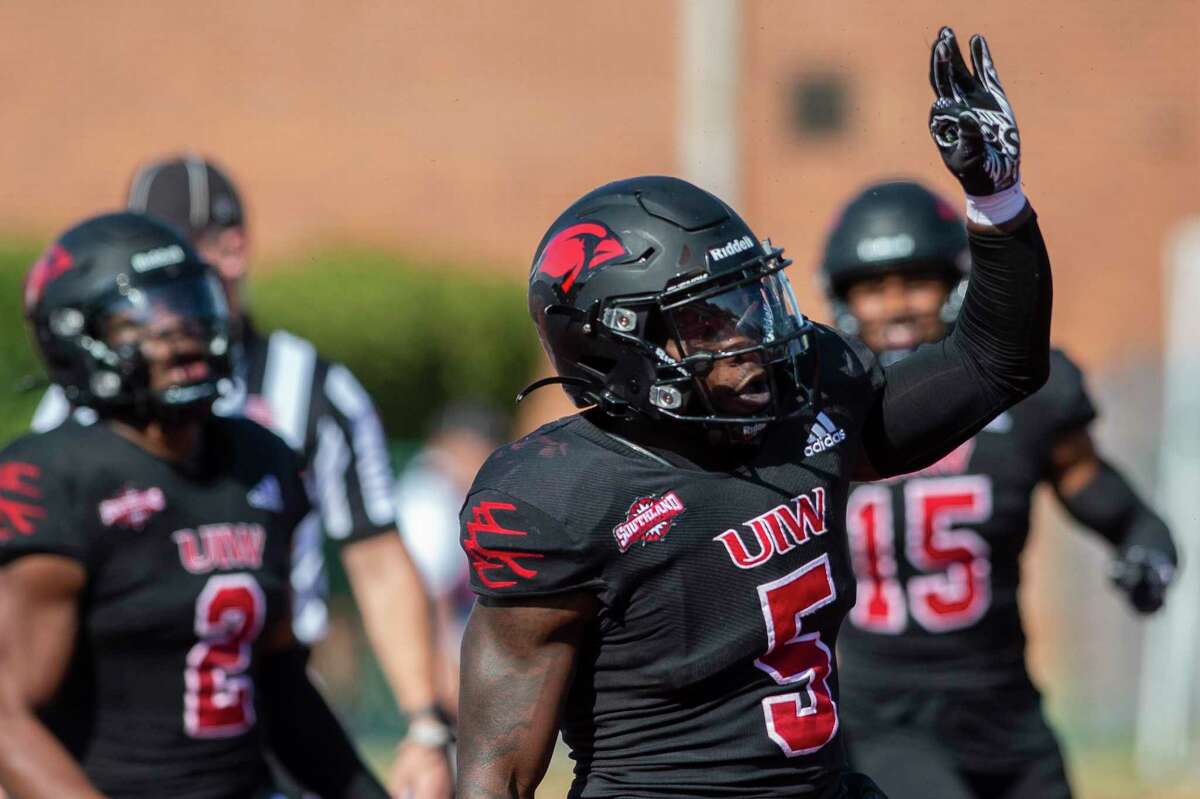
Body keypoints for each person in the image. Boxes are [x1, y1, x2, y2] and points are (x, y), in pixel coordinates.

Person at [456, 28, 1050, 798]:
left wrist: (997, 199)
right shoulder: (561, 497)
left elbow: (997, 362)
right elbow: (495, 769)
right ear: (618, 346)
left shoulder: (808, 406)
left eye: (750, 300)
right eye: (710, 320)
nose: (752, 337)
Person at [31, 155, 454, 796]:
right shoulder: (67, 433)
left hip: (261, 694)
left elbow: (376, 559)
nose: (164, 311)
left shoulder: (300, 404)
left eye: (179, 267)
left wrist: (426, 722)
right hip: (116, 722)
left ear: (230, 253)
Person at [822, 176, 1176, 799]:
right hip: (886, 717)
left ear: (956, 286)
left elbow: (1092, 484)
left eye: (915, 281)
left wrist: (1146, 542)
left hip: (1006, 708)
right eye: (875, 287)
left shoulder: (1026, 392)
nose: (897, 305)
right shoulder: (822, 406)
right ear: (846, 298)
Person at [396, 403, 506, 717]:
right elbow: (430, 593)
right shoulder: (429, 496)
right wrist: (442, 663)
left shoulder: (447, 490)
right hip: (438, 632)